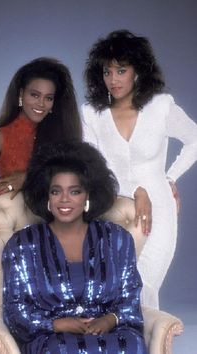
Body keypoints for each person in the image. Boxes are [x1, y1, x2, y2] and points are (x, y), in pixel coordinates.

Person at [0, 57, 82, 343]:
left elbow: (71, 178)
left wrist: (27, 177)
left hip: (38, 223)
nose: (41, 103)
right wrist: (9, 183)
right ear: (20, 95)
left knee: (38, 305)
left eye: (48, 97)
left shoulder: (60, 135)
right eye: (34, 94)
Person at [82, 29, 197, 309]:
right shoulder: (92, 114)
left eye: (121, 70)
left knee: (146, 284)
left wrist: (169, 178)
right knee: (117, 286)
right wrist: (134, 193)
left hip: (159, 208)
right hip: (112, 208)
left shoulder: (160, 107)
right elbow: (91, 167)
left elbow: (195, 138)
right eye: (107, 72)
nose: (113, 79)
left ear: (138, 71)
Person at [2, 141, 147, 354]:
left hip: (111, 336)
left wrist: (109, 320)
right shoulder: (23, 244)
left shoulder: (116, 239)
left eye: (75, 191)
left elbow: (130, 296)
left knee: (132, 345)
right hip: (52, 339)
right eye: (56, 191)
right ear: (47, 197)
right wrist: (56, 324)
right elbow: (14, 310)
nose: (64, 200)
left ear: (87, 195)